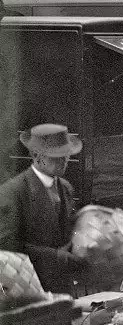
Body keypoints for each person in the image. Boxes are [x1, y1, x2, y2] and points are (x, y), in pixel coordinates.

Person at [0, 124, 87, 294]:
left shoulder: (66, 188)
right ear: (35, 155)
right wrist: (56, 257)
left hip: (63, 287)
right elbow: (7, 246)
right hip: (29, 288)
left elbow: (65, 231)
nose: (64, 161)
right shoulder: (14, 192)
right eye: (56, 156)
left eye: (66, 155)